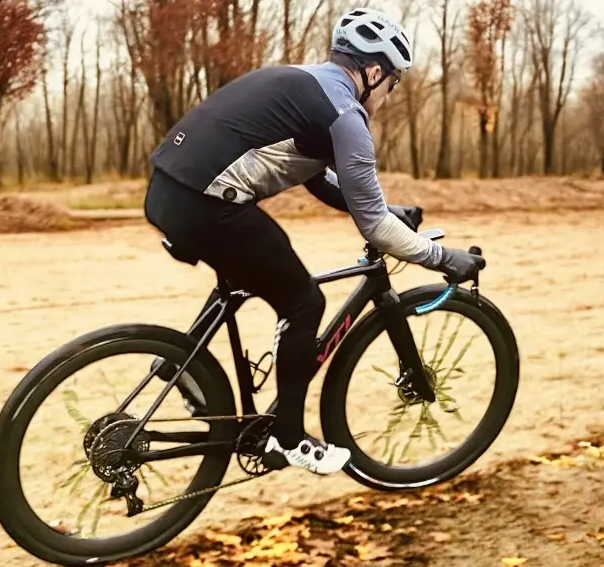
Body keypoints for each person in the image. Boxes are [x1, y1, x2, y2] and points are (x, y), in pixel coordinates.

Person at [143, 7, 485, 476]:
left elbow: (316, 176)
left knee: (248, 271)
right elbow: (374, 228)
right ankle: (288, 440)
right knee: (304, 302)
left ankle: (180, 367)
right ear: (373, 72)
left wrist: (387, 210)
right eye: (393, 81)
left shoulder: (298, 80)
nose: (390, 93)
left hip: (165, 192)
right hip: (209, 206)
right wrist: (442, 257)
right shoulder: (346, 115)